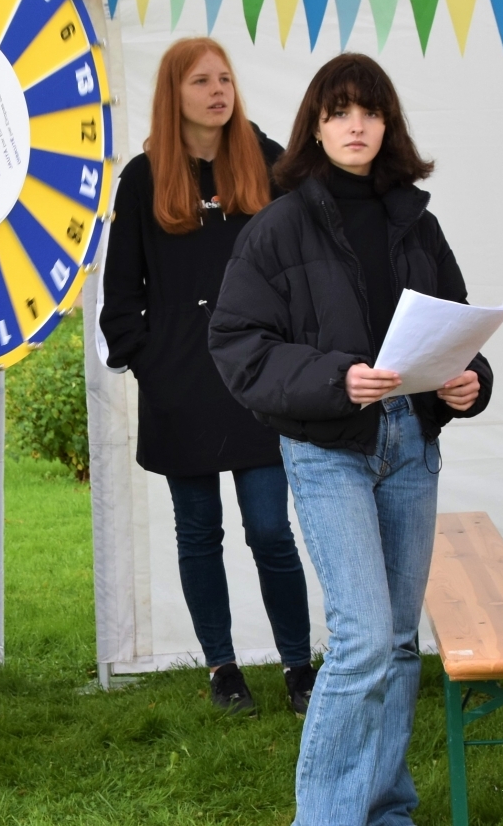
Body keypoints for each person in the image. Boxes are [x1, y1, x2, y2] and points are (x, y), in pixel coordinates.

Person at [208, 52, 493, 826]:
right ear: (315, 125)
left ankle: (385, 808)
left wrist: (468, 382)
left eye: (368, 110)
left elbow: (456, 327)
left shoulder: (415, 220)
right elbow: (236, 344)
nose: (355, 124)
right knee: (365, 639)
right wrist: (338, 377)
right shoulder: (278, 225)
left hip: (411, 439)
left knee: (400, 644)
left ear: (387, 123)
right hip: (328, 448)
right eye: (338, 111)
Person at [99, 38, 315, 717]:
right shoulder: (142, 177)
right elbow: (120, 294)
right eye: (201, 80)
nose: (218, 90)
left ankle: (298, 666)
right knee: (198, 530)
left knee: (269, 529)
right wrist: (150, 363)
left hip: (258, 381)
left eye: (224, 78)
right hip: (181, 385)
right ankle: (222, 668)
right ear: (175, 92)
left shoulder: (269, 160)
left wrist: (292, 355)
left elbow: (306, 264)